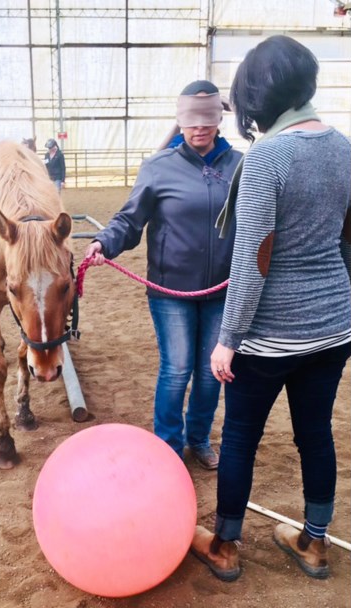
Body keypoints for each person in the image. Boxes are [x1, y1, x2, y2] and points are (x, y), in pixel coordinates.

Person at [188, 36, 351, 581]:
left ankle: (226, 546)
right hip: (333, 327)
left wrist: (228, 337)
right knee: (315, 433)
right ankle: (315, 541)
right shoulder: (346, 147)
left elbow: (253, 260)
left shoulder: (266, 158)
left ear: (258, 92)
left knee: (238, 437)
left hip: (271, 335)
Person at [84, 80, 243, 470]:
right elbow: (129, 220)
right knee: (176, 370)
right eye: (192, 120)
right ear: (180, 120)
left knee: (211, 374)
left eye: (207, 119)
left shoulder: (241, 165)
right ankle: (168, 446)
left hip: (222, 291)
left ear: (219, 119)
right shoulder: (158, 168)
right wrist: (105, 242)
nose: (200, 128)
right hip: (170, 292)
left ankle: (199, 439)